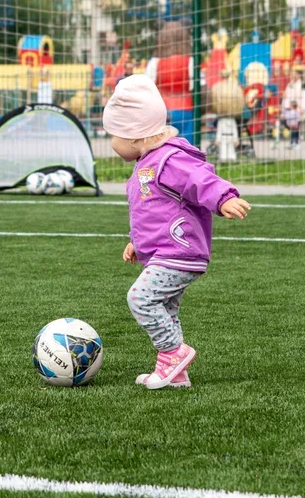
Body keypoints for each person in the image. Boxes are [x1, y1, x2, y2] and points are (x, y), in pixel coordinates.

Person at [103, 74, 251, 390]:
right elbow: (152, 211)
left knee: (140, 299)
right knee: (166, 310)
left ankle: (174, 353)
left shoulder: (169, 159)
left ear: (134, 136)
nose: (111, 142)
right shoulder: (148, 162)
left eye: (113, 135)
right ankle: (175, 374)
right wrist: (136, 241)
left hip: (180, 251)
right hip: (165, 252)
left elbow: (199, 179)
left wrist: (224, 198)